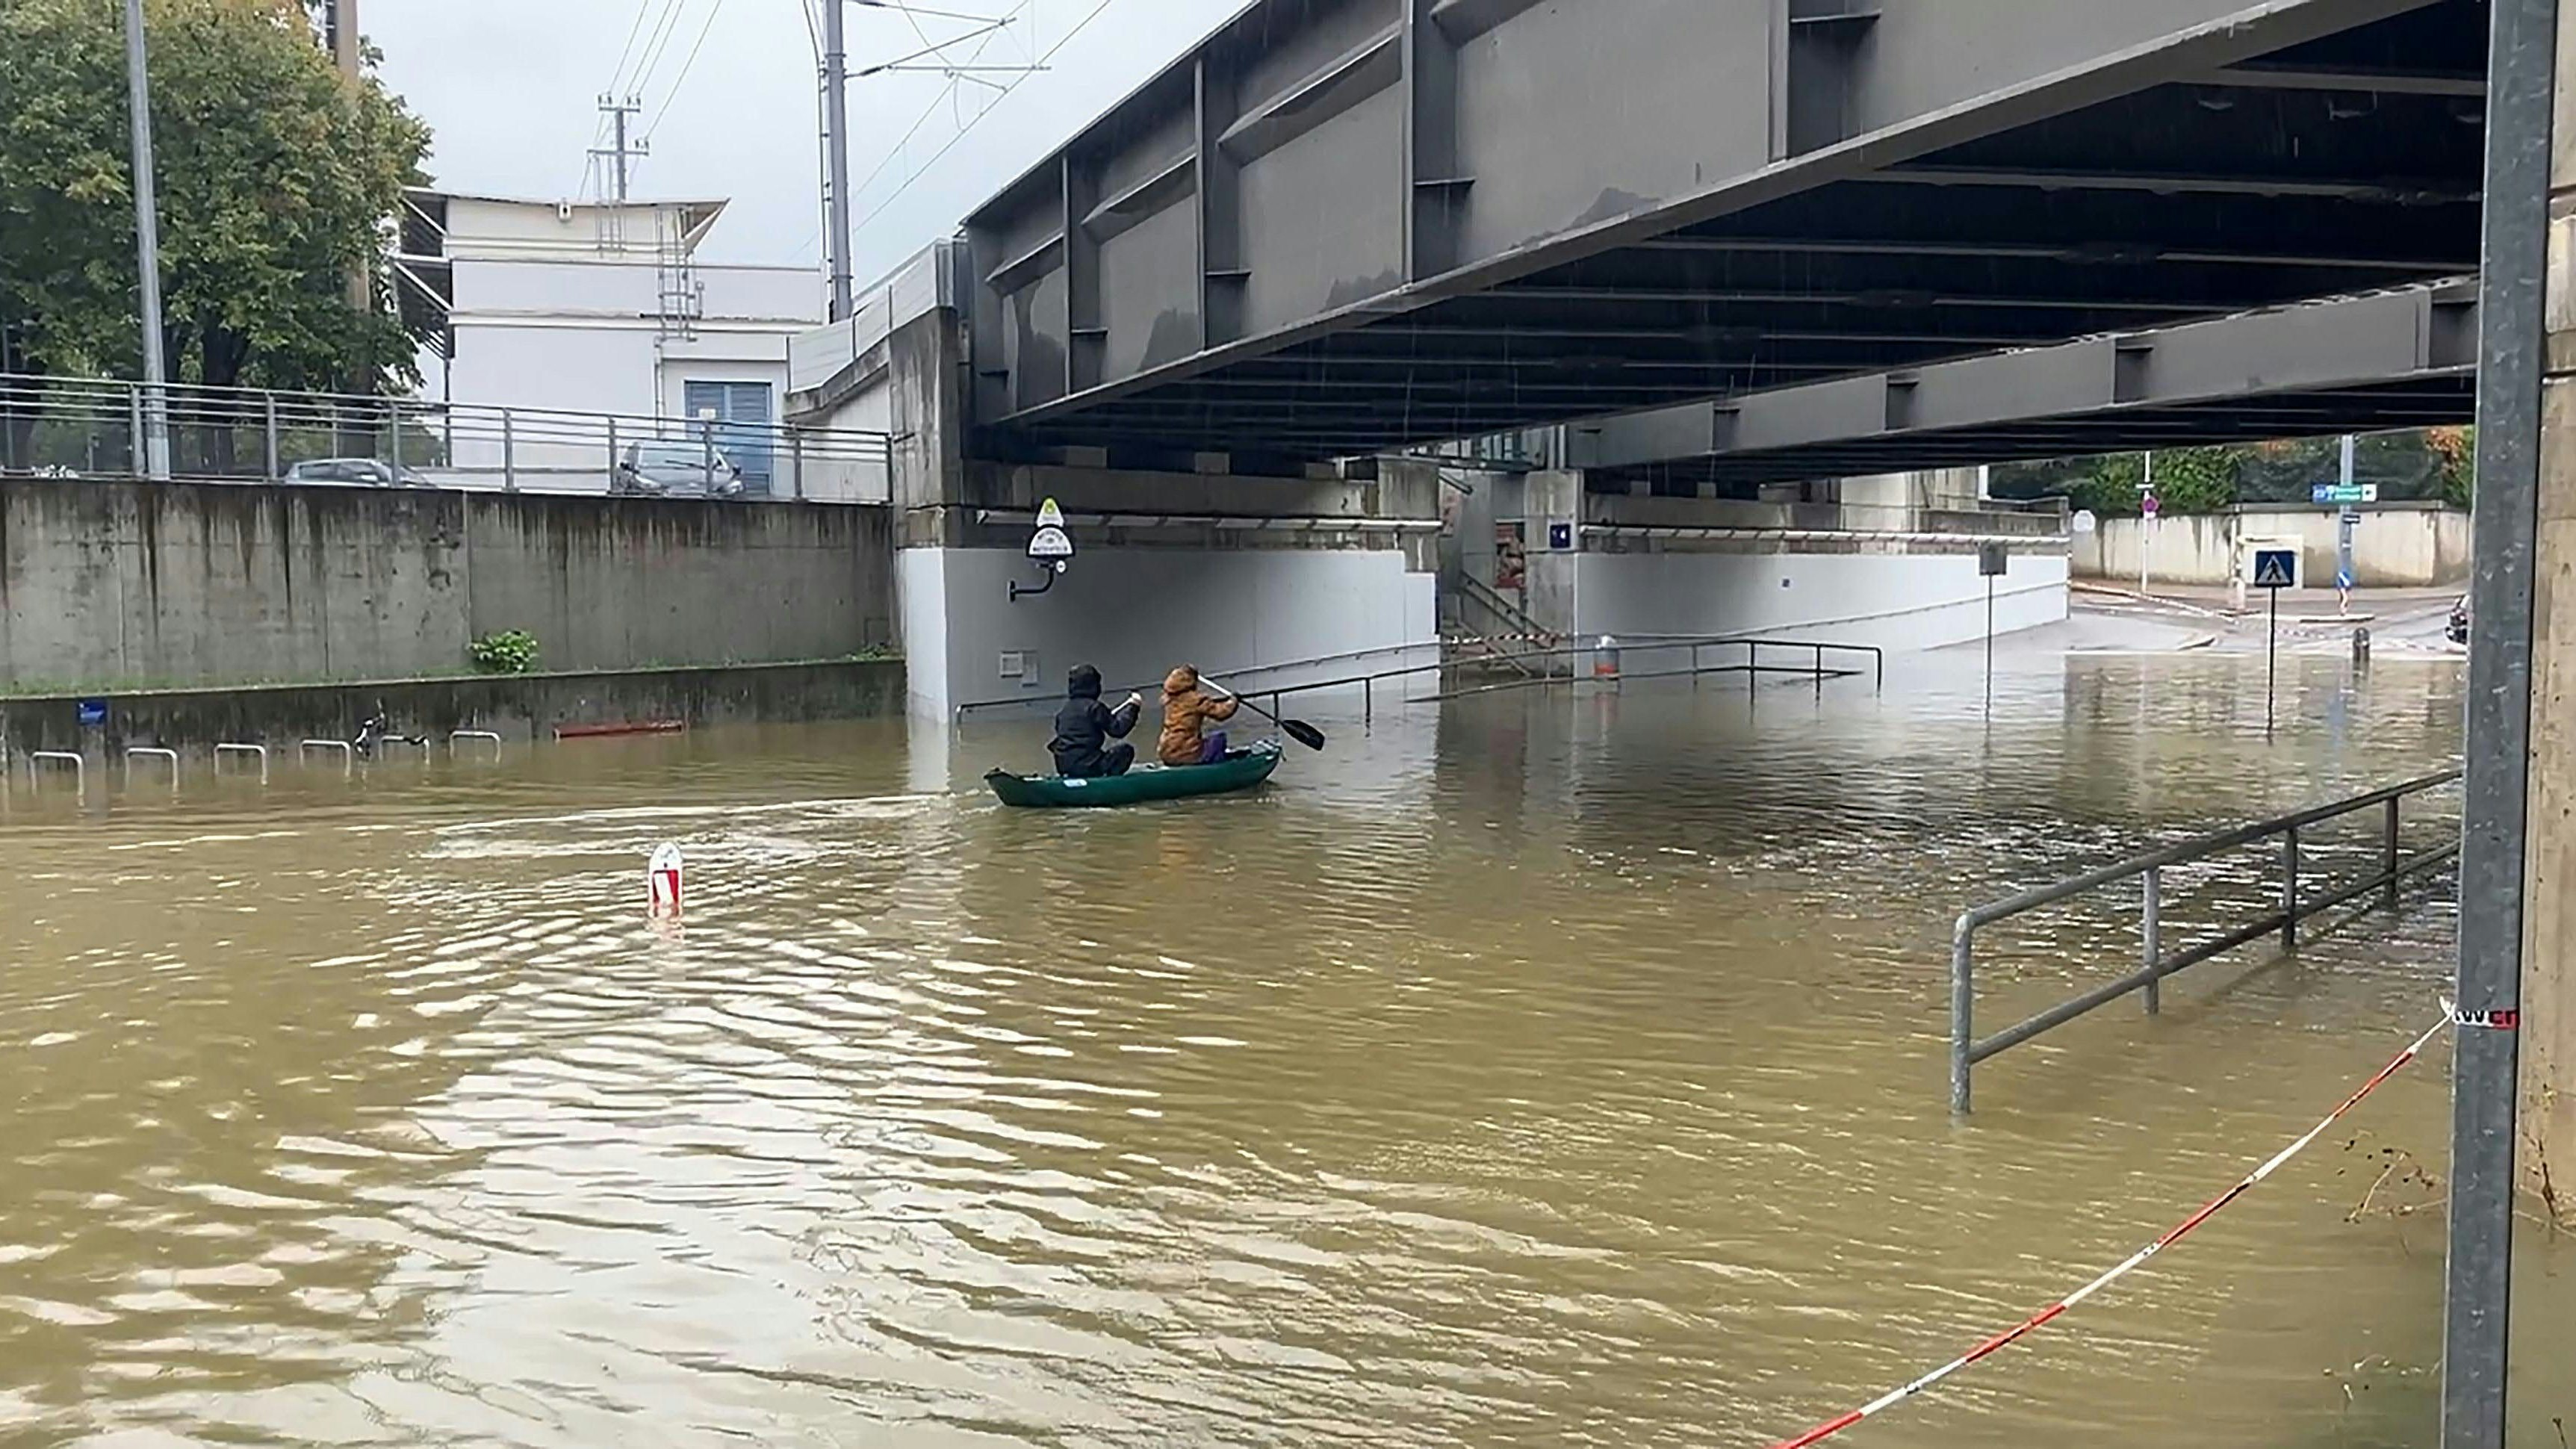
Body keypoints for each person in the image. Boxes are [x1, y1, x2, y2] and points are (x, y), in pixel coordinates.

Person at [1050, 664, 1143, 778]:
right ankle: (1108, 780)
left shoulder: (1064, 711)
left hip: (1064, 766)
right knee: (1125, 750)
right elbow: (1118, 730)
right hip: (1090, 766)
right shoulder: (1095, 708)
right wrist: (1134, 707)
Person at [1158, 665, 1241, 766]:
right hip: (1186, 752)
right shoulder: (1196, 699)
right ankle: (1217, 770)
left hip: (1166, 751)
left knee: (1202, 741)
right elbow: (1221, 713)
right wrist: (1234, 701)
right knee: (1219, 738)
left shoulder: (1168, 699)